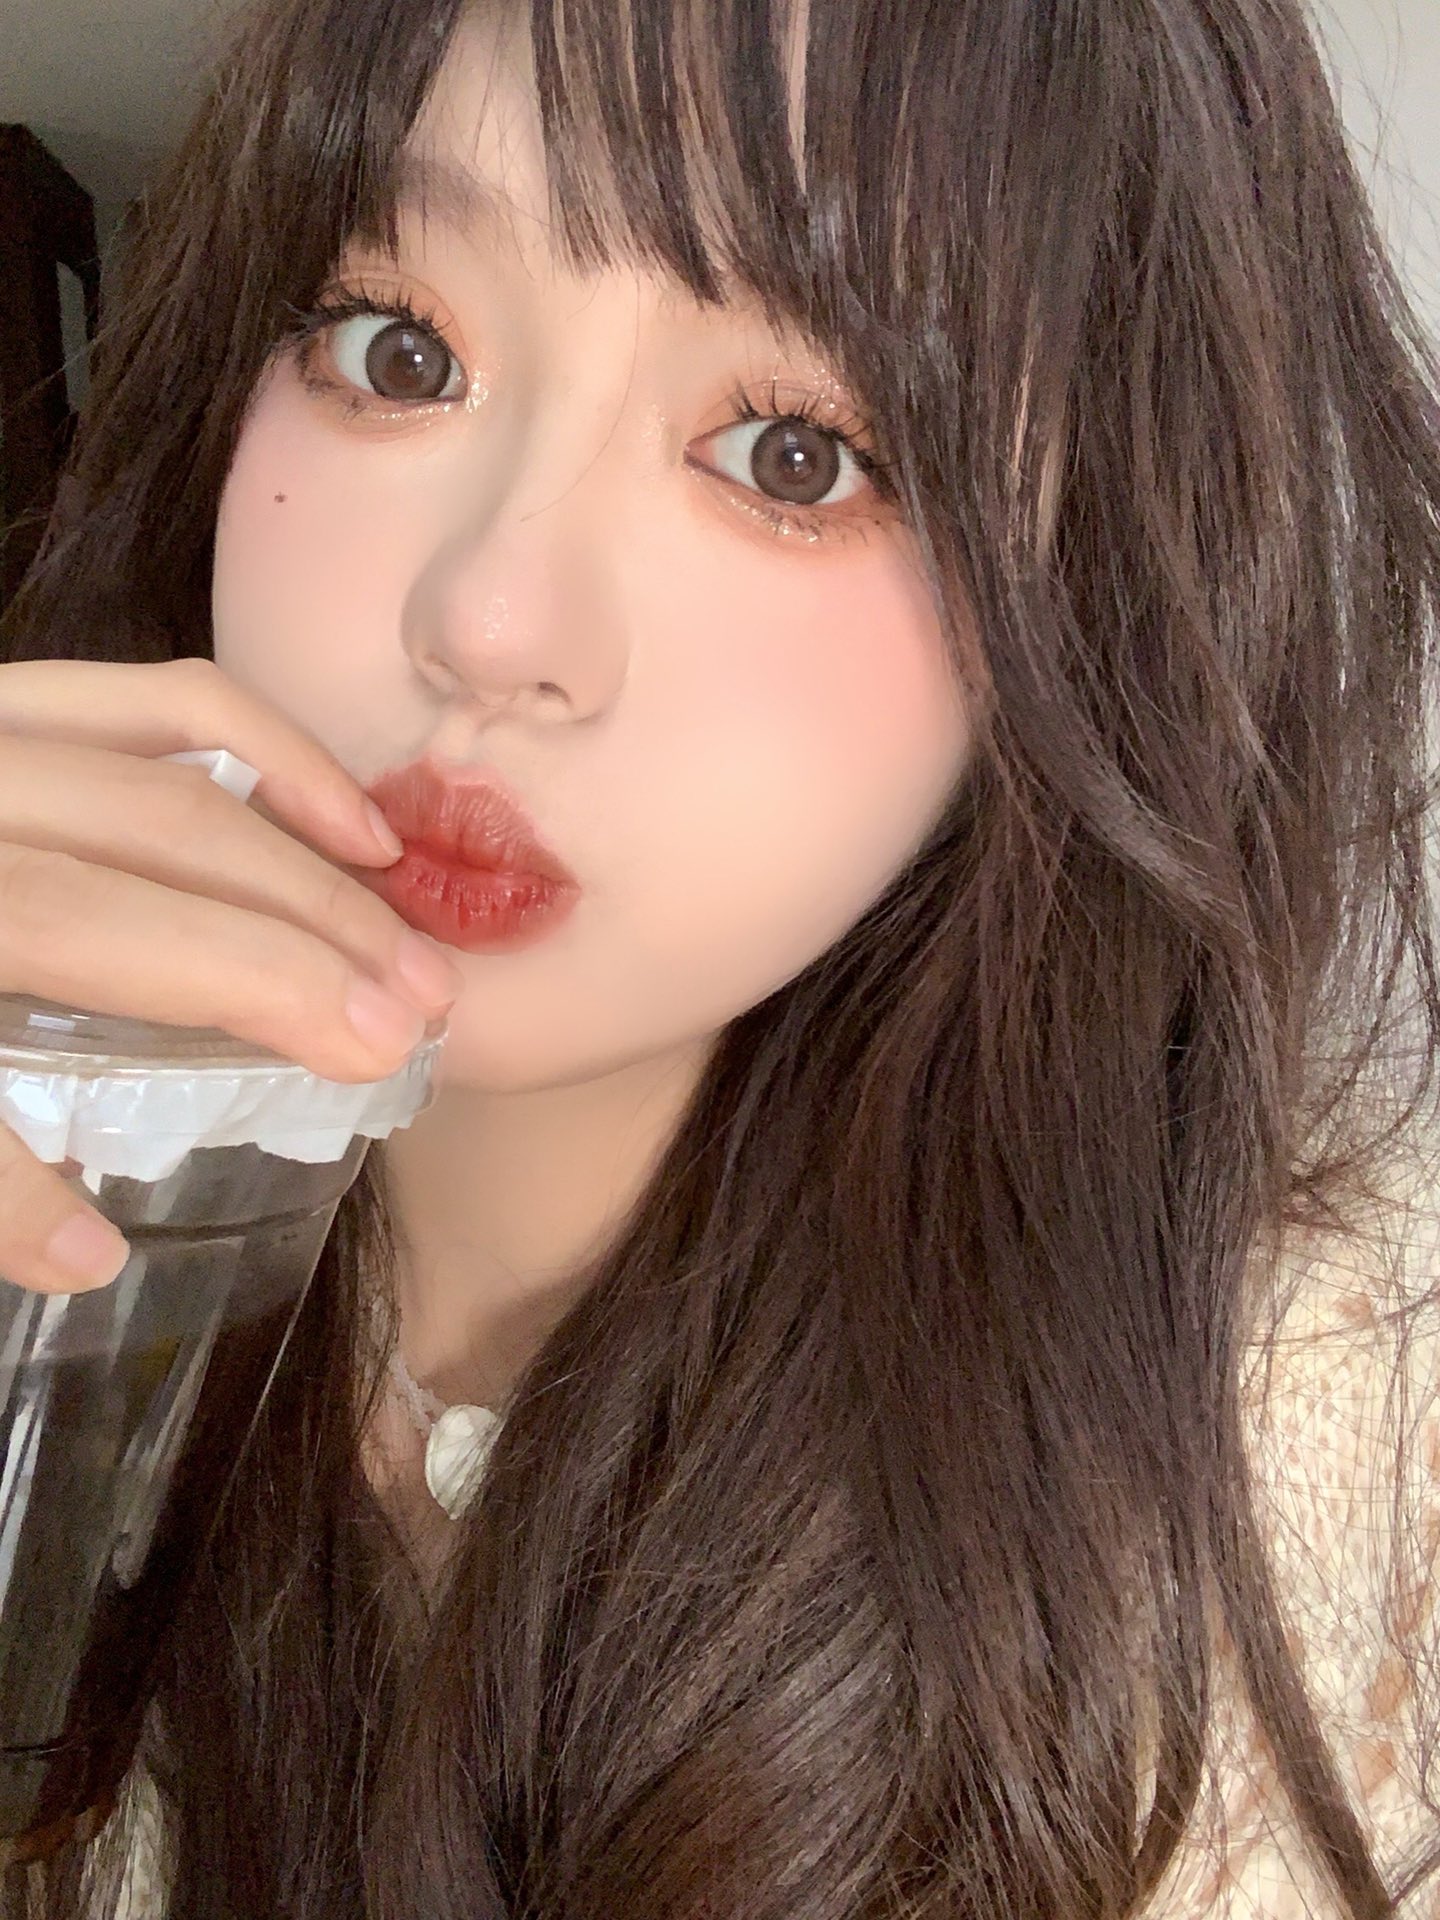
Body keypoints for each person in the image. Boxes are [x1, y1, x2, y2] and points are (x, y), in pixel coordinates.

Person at [1, 0, 1438, 1912]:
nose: (489, 618)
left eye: (794, 455)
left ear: (1090, 601)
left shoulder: (1334, 1432)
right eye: (396, 347)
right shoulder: (72, 1207)